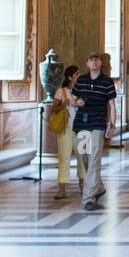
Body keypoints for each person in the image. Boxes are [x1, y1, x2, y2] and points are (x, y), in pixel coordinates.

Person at [71, 51, 118, 210]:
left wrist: (112, 125)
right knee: (83, 157)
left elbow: (111, 104)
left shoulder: (107, 82)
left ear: (100, 63)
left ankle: (88, 198)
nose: (94, 62)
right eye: (91, 60)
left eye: (96, 60)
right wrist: (77, 102)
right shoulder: (81, 80)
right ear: (87, 64)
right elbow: (72, 98)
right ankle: (98, 187)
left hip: (98, 123)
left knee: (94, 159)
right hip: (82, 124)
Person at [48, 64, 80, 200]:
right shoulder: (61, 92)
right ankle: (62, 189)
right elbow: (53, 109)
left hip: (80, 128)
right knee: (64, 158)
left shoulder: (81, 91)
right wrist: (64, 104)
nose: (79, 76)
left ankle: (84, 185)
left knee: (82, 158)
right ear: (69, 77)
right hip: (66, 128)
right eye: (76, 74)